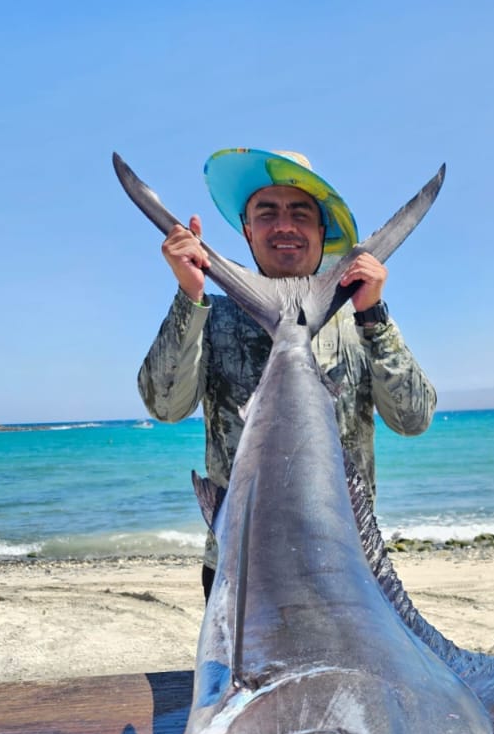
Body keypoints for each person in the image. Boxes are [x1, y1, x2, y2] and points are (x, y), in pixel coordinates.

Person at [138, 148, 436, 600]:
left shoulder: (360, 323)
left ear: (322, 230)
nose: (284, 226)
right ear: (247, 230)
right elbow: (164, 406)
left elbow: (413, 419)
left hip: (348, 564)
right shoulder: (209, 317)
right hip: (241, 568)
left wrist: (373, 314)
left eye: (300, 212)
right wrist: (190, 296)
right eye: (267, 212)